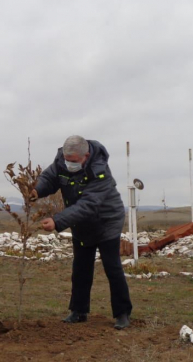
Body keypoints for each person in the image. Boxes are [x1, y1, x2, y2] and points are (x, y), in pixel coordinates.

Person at [31, 136, 132, 330]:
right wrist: (36, 190)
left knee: (112, 267)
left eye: (74, 161)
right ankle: (78, 311)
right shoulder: (62, 161)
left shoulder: (99, 171)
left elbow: (88, 204)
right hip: (80, 223)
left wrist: (58, 221)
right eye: (67, 160)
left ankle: (122, 313)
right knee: (81, 268)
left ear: (86, 156)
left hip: (106, 221)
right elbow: (50, 178)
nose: (69, 164)